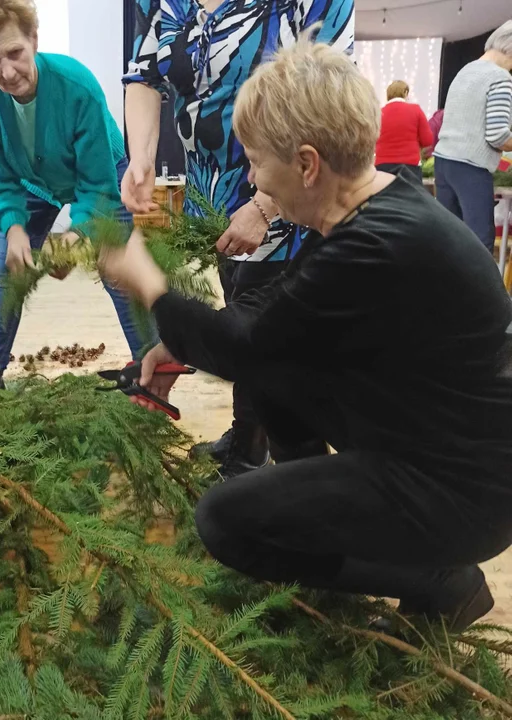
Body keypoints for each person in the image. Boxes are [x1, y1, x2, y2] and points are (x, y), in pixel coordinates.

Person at [100, 38, 512, 631]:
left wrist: (151, 287)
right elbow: (275, 317)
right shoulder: (375, 210)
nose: (250, 177)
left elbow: (245, 343)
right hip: (436, 441)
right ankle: (319, 529)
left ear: (307, 164)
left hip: (462, 492)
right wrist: (177, 339)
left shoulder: (374, 245)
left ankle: (442, 581)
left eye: (254, 162)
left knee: (223, 520)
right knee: (276, 368)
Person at [122, 0, 355, 480]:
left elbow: (330, 103)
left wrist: (266, 201)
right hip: (216, 194)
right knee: (241, 298)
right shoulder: (172, 5)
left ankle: (266, 459)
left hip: (290, 192)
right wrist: (140, 157)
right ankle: (249, 432)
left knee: (269, 334)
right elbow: (144, 76)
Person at [0, 0, 147, 408]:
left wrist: (79, 234)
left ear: (34, 40)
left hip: (100, 170)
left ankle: (150, 368)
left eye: (15, 53)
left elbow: (95, 185)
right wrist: (15, 228)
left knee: (118, 272)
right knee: (8, 271)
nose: (6, 72)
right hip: (34, 184)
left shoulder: (78, 86)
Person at [434, 20, 512, 252]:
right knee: (480, 243)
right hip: (471, 168)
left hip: (443, 162)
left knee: (450, 239)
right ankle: (477, 290)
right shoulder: (500, 78)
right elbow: (497, 136)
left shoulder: (465, 70)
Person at [374, 80, 433, 182]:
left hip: (382, 167)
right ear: (405, 93)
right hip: (410, 167)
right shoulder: (416, 110)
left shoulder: (378, 113)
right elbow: (427, 140)